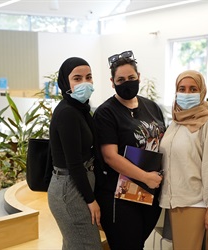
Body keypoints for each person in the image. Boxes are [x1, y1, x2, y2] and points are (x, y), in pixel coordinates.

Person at [93, 50, 166, 249]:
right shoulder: (106, 113)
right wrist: (145, 177)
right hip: (119, 196)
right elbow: (110, 156)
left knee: (137, 244)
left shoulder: (152, 107)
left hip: (150, 193)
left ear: (139, 77)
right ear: (112, 82)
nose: (127, 82)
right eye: (121, 79)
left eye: (131, 78)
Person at [159, 70, 208, 250]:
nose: (186, 93)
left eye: (193, 89)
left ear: (202, 93)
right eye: (182, 89)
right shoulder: (176, 123)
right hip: (177, 204)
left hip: (198, 205)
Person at [47, 57, 102, 250]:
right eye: (77, 78)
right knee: (88, 245)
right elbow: (74, 163)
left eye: (88, 77)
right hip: (70, 189)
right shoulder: (67, 113)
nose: (84, 83)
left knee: (75, 245)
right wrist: (91, 200)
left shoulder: (80, 109)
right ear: (65, 82)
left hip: (76, 183)